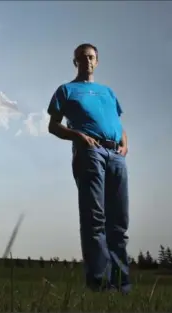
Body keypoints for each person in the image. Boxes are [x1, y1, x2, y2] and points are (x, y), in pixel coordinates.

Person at [46, 43, 131, 293]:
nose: (88, 61)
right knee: (95, 219)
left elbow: (118, 123)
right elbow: (53, 126)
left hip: (116, 155)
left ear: (98, 61)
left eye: (92, 57)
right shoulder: (67, 90)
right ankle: (101, 284)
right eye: (82, 58)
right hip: (90, 153)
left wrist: (125, 143)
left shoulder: (108, 92)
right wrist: (78, 136)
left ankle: (121, 286)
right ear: (75, 62)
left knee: (119, 223)